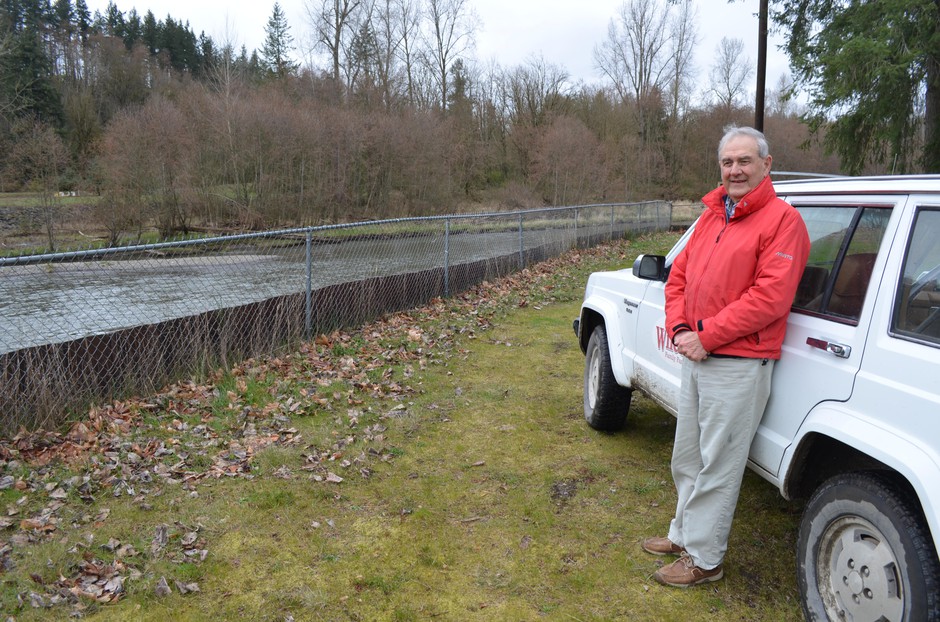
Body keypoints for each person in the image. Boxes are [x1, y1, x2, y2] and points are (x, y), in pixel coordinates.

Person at [643, 125, 810, 587]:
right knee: (688, 455)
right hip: (697, 353)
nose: (735, 170)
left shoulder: (782, 221)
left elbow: (769, 298)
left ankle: (705, 560)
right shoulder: (713, 216)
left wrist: (707, 336)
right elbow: (678, 279)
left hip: (736, 362)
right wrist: (680, 328)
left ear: (766, 164)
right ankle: (683, 535)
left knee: (718, 463)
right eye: (727, 162)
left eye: (744, 161)